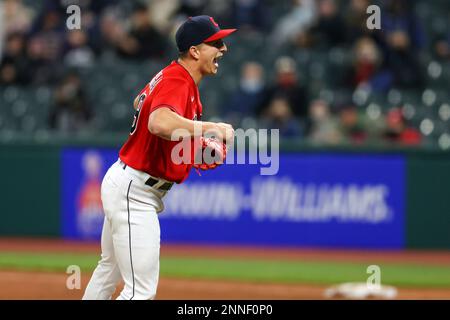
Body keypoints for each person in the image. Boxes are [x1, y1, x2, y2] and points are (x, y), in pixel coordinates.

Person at [82, 15, 236, 300]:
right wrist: (209, 128)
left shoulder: (172, 76)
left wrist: (192, 144)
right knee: (140, 292)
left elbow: (140, 102)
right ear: (195, 51)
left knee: (108, 272)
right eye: (216, 43)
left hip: (128, 182)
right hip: (135, 191)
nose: (223, 49)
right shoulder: (179, 80)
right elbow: (158, 123)